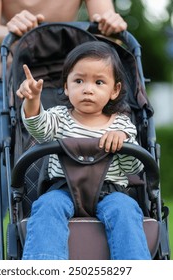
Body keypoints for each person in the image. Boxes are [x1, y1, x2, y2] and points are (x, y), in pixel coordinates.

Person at [0, 0, 128, 260]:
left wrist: (111, 22)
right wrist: (12, 29)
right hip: (1, 78)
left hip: (68, 83)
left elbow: (103, 18)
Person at [16, 41, 151, 260]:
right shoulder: (59, 117)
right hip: (62, 188)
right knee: (46, 206)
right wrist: (32, 102)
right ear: (67, 87)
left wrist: (123, 144)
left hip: (112, 191)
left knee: (126, 209)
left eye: (99, 82)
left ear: (114, 90)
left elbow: (133, 167)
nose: (88, 89)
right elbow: (39, 129)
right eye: (79, 81)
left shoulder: (122, 124)